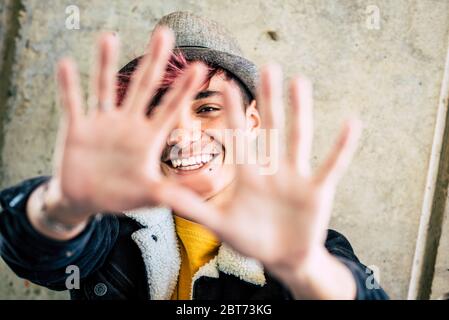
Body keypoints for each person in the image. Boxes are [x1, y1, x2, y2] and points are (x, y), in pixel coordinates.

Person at [0, 11, 388, 300]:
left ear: (252, 121)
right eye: (161, 113)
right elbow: (38, 252)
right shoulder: (111, 231)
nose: (182, 135)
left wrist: (304, 269)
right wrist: (63, 208)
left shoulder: (306, 244)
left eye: (206, 109)